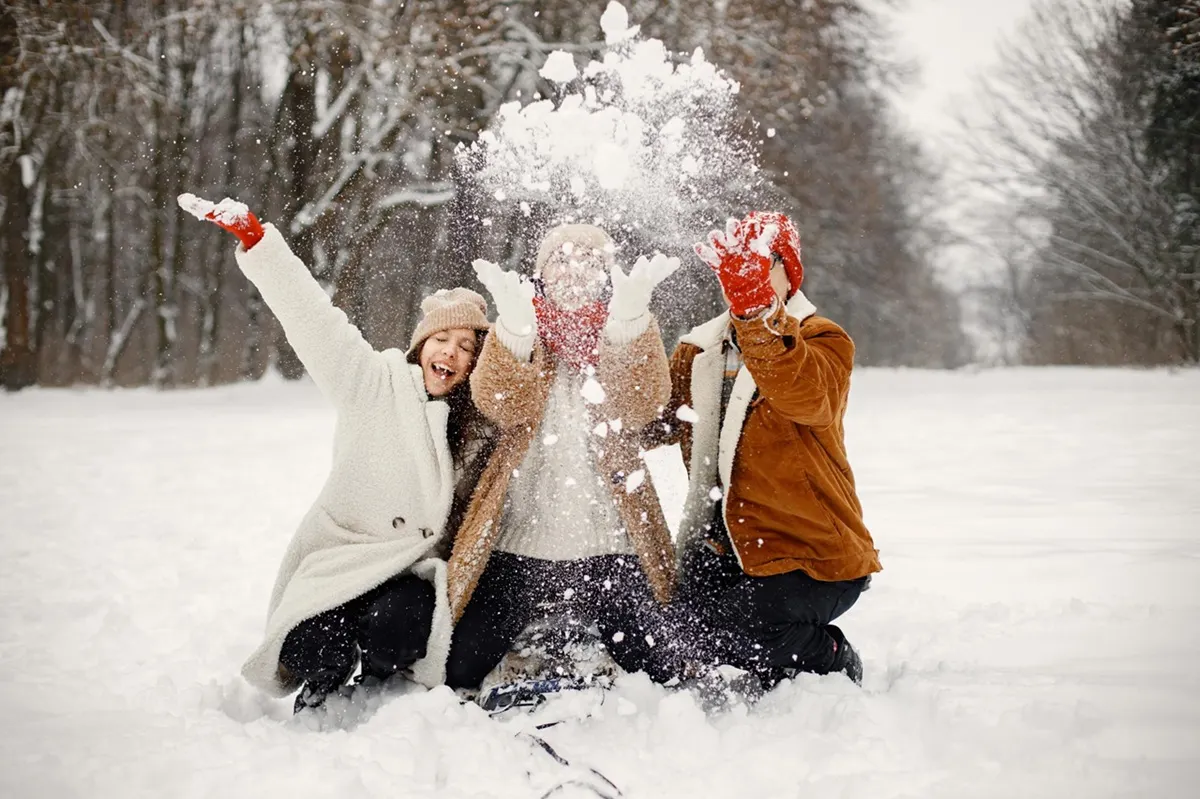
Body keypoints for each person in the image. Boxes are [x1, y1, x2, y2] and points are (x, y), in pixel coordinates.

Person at [191, 199, 494, 711]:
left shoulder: (472, 428)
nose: (451, 352)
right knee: (309, 646)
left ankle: (379, 681)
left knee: (394, 630)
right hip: (340, 559)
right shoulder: (372, 383)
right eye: (442, 338)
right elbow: (314, 319)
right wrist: (258, 243)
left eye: (467, 347)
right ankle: (328, 675)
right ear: (420, 346)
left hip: (404, 574)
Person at [441, 223, 682, 690]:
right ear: (541, 275)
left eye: (590, 261)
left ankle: (579, 635)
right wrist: (511, 333)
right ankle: (543, 631)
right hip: (518, 547)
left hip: (609, 549)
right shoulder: (523, 331)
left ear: (606, 275)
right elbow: (498, 402)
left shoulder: (621, 332)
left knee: (662, 669)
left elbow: (642, 405)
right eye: (562, 260)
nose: (575, 270)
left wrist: (630, 325)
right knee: (459, 668)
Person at [648, 211, 881, 686]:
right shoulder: (698, 350)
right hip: (723, 550)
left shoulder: (822, 338)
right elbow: (651, 424)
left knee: (735, 633)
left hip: (811, 553)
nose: (754, 270)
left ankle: (832, 654)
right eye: (743, 261)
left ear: (788, 271)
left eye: (767, 261)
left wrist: (756, 313)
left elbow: (808, 399)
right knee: (664, 635)